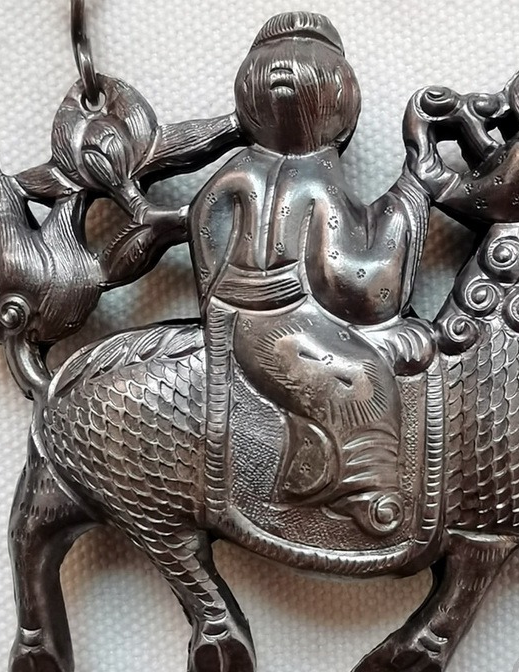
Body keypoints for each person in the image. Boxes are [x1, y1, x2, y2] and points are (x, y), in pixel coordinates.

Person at [188, 12, 440, 530]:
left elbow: (203, 233)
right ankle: (364, 495)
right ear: (343, 111)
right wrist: (411, 195)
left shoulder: (238, 171)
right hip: (278, 328)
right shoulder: (313, 180)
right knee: (363, 381)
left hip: (241, 320)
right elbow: (362, 290)